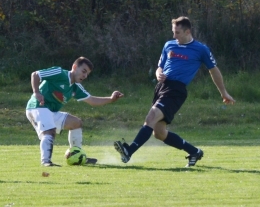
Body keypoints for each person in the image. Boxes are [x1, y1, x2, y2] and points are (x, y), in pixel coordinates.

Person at [114, 16, 235, 167]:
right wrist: (158, 73)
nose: (174, 36)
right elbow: (160, 66)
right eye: (173, 32)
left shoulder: (201, 49)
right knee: (158, 132)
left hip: (176, 90)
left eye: (177, 32)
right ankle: (194, 151)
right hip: (161, 88)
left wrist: (223, 92)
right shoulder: (169, 45)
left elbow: (214, 71)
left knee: (151, 117)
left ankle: (129, 151)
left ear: (187, 31)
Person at [26, 56, 124, 166]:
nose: (85, 75)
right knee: (49, 131)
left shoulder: (76, 87)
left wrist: (111, 99)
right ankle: (46, 162)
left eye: (87, 74)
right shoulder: (59, 73)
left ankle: (77, 155)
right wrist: (36, 92)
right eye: (83, 71)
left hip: (50, 112)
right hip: (37, 107)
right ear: (74, 67)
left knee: (76, 123)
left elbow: (92, 100)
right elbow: (35, 74)